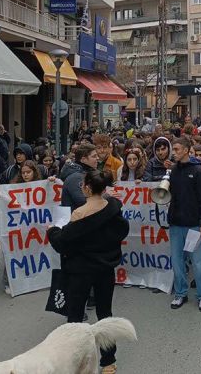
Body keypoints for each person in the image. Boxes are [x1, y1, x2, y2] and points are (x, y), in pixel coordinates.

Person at [48, 169, 129, 374]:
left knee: (75, 317)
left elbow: (63, 243)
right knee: (105, 314)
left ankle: (76, 361)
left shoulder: (80, 214)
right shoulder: (113, 208)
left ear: (89, 188)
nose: (81, 187)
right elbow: (122, 231)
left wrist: (52, 230)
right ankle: (109, 361)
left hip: (80, 271)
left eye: (83, 184)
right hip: (105, 270)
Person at [167, 138, 201, 312]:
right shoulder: (173, 170)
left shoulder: (199, 171)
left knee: (198, 263)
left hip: (194, 224)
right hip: (176, 224)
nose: (174, 152)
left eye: (177, 149)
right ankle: (180, 293)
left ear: (186, 150)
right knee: (177, 262)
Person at [60, 143, 98, 211]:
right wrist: (105, 196)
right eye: (94, 156)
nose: (97, 158)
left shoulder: (85, 173)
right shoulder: (76, 178)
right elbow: (83, 201)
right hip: (78, 220)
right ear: (83, 159)